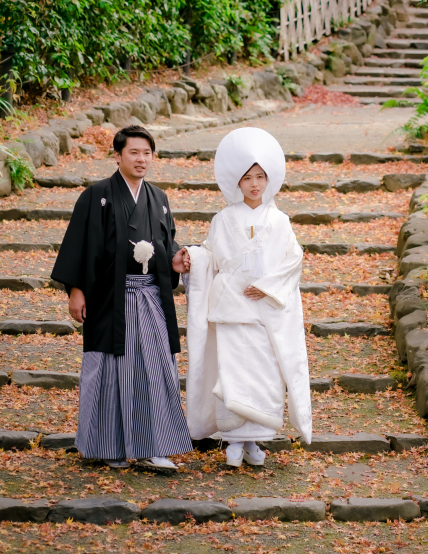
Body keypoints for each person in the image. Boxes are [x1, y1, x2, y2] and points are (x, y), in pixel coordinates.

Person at [51, 124, 193, 472]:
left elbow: (166, 245)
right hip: (109, 299)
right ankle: (107, 445)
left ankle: (154, 445)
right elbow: (81, 247)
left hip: (150, 298)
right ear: (118, 156)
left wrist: (175, 259)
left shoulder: (158, 199)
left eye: (147, 153)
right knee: (110, 370)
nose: (141, 159)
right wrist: (76, 290)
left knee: (156, 368)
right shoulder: (96, 195)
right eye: (134, 152)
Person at [184, 127, 312, 467]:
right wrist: (192, 258)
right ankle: (233, 441)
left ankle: (255, 440)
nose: (254, 184)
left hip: (263, 309)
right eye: (247, 178)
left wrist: (268, 286)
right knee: (233, 373)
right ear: (236, 183)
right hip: (231, 308)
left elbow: (293, 260)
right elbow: (210, 255)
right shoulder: (223, 219)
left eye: (260, 177)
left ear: (268, 180)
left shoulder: (281, 221)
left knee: (265, 374)